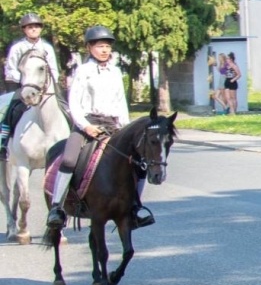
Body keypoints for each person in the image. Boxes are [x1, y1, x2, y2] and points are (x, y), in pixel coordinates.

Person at [45, 26, 153, 231]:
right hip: (87, 123)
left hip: (112, 125)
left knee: (138, 163)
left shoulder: (115, 72)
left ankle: (135, 207)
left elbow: (120, 102)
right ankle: (57, 207)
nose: (104, 50)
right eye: (99, 46)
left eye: (107, 46)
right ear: (89, 48)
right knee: (69, 159)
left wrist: (124, 128)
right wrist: (86, 126)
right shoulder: (83, 71)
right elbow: (74, 102)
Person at [1, 13, 60, 157]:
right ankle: (3, 143)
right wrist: (26, 81)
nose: (33, 29)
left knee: (65, 108)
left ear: (41, 29)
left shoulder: (47, 48)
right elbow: (10, 70)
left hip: (44, 86)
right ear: (24, 30)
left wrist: (50, 84)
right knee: (11, 110)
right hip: (23, 86)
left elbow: (53, 69)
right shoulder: (18, 48)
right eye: (30, 27)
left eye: (36, 27)